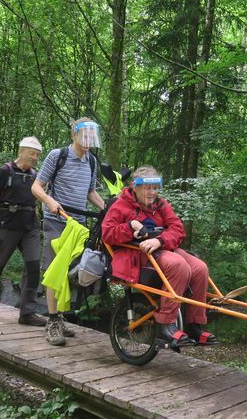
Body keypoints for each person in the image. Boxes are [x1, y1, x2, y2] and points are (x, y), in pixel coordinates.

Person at [101, 165, 217, 347]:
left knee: (200, 268)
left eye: (155, 188)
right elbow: (107, 234)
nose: (152, 192)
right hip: (137, 253)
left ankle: (194, 324)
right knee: (178, 265)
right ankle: (165, 325)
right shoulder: (120, 205)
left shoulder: (161, 205)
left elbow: (177, 229)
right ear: (134, 186)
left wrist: (160, 241)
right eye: (147, 188)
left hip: (161, 247)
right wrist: (130, 227)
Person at [31, 118, 105, 345]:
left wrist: (108, 209)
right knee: (54, 271)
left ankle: (60, 317)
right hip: (56, 220)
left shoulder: (91, 161)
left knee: (72, 273)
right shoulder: (57, 155)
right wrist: (49, 201)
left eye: (92, 136)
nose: (88, 140)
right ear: (74, 135)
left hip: (79, 225)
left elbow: (91, 192)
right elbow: (36, 186)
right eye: (84, 135)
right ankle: (52, 322)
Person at [0, 136, 47, 326]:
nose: (35, 157)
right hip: (6, 225)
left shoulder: (36, 176)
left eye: (37, 155)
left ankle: (27, 313)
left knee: (33, 267)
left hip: (30, 226)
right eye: (32, 153)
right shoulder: (5, 171)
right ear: (21, 151)